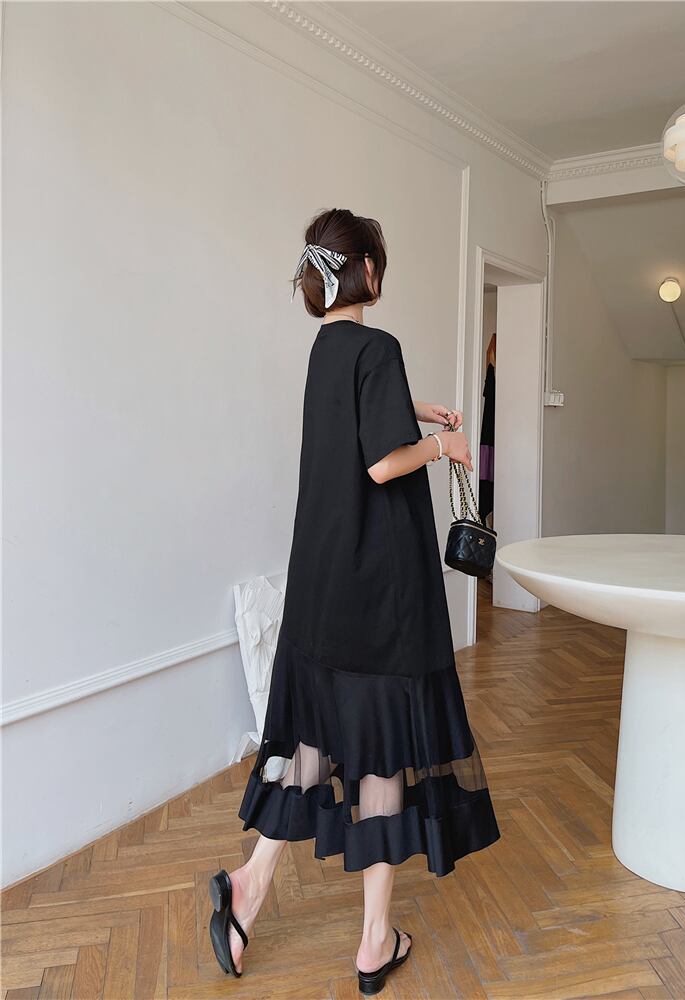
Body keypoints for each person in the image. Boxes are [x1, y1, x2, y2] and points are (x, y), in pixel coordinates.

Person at [208, 208, 501, 994]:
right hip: (379, 593)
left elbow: (357, 423)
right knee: (381, 749)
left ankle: (249, 887)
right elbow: (379, 465)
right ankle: (374, 941)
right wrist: (442, 445)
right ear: (367, 268)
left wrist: (419, 410)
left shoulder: (327, 349)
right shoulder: (379, 346)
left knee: (316, 741)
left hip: (322, 585)